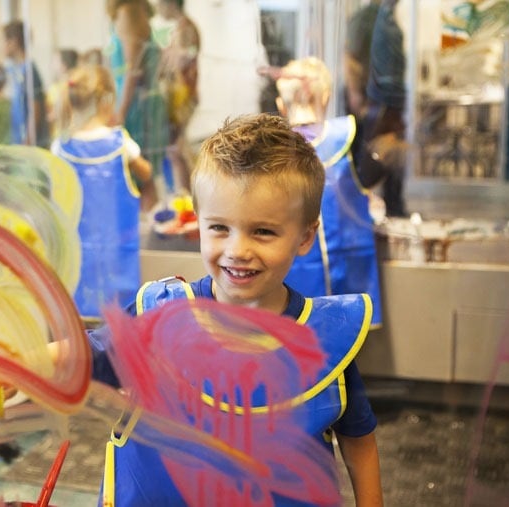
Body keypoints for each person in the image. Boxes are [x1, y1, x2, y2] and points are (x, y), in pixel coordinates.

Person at [87, 113, 383, 506]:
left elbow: (358, 440)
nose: (238, 250)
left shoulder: (328, 339)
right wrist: (10, 362)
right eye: (219, 228)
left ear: (305, 236)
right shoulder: (160, 315)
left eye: (263, 231)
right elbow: (85, 356)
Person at [273, 56, 383, 328]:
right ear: (325, 98)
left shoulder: (271, 151)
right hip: (346, 287)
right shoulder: (349, 139)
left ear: (280, 105)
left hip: (285, 290)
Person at [51, 64, 155, 319]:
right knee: (117, 335)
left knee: (81, 334)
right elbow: (147, 173)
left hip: (77, 267)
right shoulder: (121, 143)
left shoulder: (60, 148)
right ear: (107, 100)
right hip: (118, 264)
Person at [345, 0, 409, 217]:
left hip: (388, 98)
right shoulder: (366, 17)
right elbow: (351, 55)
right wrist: (355, 93)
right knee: (368, 158)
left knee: (391, 153)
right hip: (371, 98)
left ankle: (393, 206)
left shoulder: (387, 16)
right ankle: (357, 209)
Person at [105, 0, 169, 199]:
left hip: (136, 106)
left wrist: (121, 111)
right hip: (141, 101)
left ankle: (145, 225)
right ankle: (148, 223)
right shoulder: (138, 12)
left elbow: (133, 70)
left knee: (140, 174)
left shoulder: (128, 12)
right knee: (144, 174)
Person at [153, 0, 200, 193]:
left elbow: (183, 60)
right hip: (179, 96)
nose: (158, 9)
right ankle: (187, 193)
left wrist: (165, 58)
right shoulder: (181, 28)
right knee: (176, 148)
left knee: (178, 148)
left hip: (182, 97)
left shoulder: (185, 28)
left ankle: (191, 193)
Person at [3, 20, 49, 148]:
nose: (2, 46)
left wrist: (27, 143)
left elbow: (35, 110)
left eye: (5, 41)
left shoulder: (29, 71)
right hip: (19, 142)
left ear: (14, 42)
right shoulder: (17, 70)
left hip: (30, 145)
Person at [45, 48, 79, 140]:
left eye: (55, 61)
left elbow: (51, 115)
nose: (52, 64)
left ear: (63, 66)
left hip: (60, 135)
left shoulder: (55, 89)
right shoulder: (79, 85)